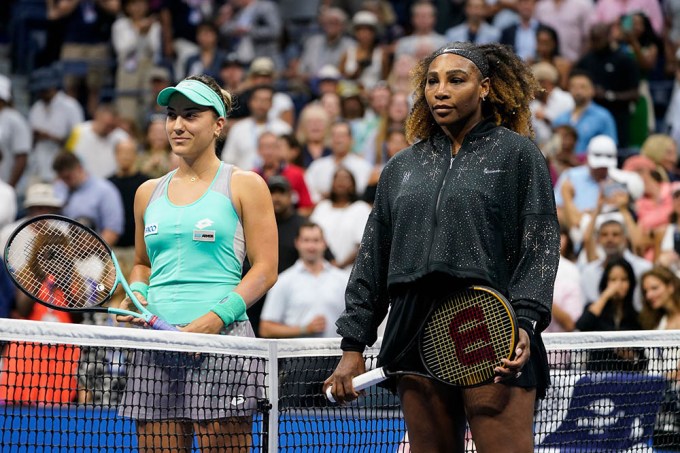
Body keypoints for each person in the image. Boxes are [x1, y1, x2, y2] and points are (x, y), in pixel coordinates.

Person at [324, 42, 560, 452]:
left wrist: (525, 320)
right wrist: (353, 345)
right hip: (412, 327)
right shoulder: (401, 167)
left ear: (485, 87)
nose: (440, 91)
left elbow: (540, 244)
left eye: (456, 80)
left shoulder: (517, 154)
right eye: (432, 81)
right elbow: (373, 259)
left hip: (491, 322)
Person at [116, 74, 278, 451]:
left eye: (190, 115)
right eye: (171, 115)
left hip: (221, 346)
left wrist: (212, 321)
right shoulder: (146, 192)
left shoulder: (245, 184)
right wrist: (136, 293)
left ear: (218, 124)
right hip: (154, 348)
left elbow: (265, 270)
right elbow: (142, 262)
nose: (177, 125)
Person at [259, 221, 347, 338]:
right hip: (298, 355)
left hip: (336, 354)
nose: (311, 246)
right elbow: (266, 329)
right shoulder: (283, 281)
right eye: (306, 240)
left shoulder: (343, 279)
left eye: (316, 240)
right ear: (297, 243)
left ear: (325, 243)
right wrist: (305, 329)